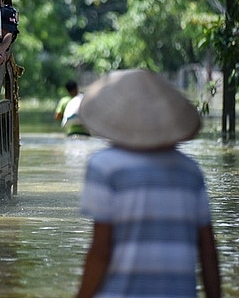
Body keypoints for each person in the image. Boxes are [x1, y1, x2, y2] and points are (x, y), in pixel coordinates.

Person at [76, 69, 221, 298]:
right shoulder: (190, 170)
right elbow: (208, 250)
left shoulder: (105, 166)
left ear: (118, 117)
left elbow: (101, 250)